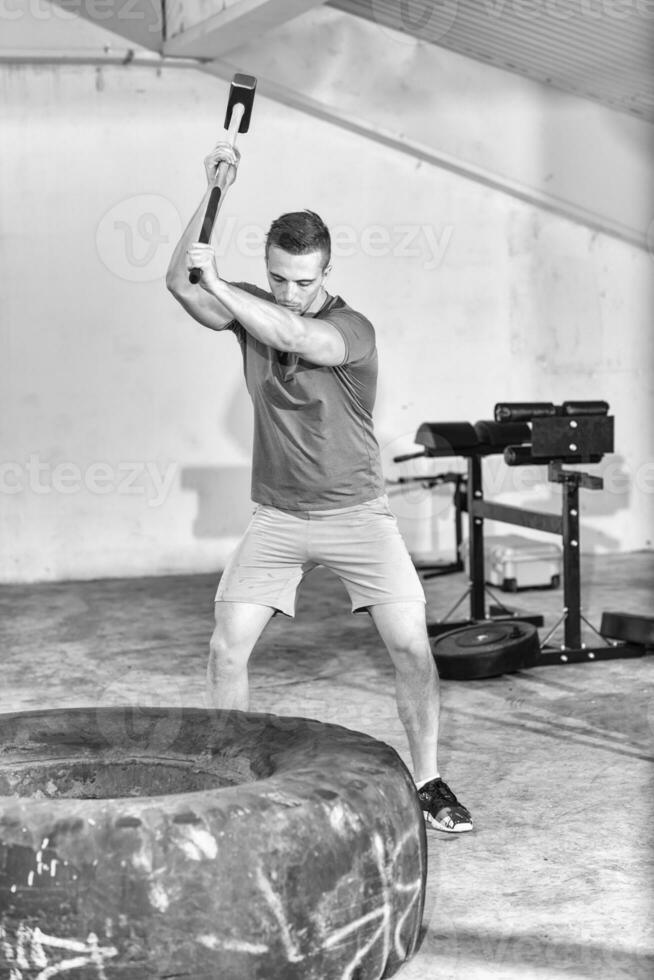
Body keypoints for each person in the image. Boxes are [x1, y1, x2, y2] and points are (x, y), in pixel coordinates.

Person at [166, 142, 473, 834]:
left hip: (358, 515)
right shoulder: (252, 306)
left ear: (325, 271)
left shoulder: (352, 330)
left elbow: (301, 337)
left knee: (412, 646)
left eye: (303, 281)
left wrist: (223, 286)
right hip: (278, 517)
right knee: (226, 646)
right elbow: (181, 283)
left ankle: (427, 779)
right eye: (277, 278)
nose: (287, 292)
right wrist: (209, 197)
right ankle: (229, 775)